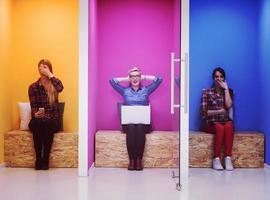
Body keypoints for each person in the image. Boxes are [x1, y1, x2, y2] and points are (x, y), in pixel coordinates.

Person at [109, 67, 162, 171]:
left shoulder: (146, 90)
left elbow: (159, 79)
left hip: (143, 123)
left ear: (140, 77)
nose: (135, 79)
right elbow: (112, 81)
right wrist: (126, 78)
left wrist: (144, 76)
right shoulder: (125, 91)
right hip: (128, 123)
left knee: (139, 128)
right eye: (132, 76)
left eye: (137, 76)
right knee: (132, 128)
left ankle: (138, 160)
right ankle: (132, 160)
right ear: (130, 78)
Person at [28, 59, 64, 170]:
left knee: (48, 124)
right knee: (36, 124)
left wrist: (50, 75)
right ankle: (39, 158)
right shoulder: (33, 87)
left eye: (45, 66)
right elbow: (33, 106)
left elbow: (61, 88)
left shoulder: (54, 84)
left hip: (53, 120)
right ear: (38, 69)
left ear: (49, 69)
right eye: (41, 66)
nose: (42, 68)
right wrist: (36, 113)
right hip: (39, 119)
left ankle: (46, 159)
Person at [200, 67, 234, 171]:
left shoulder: (228, 91)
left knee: (229, 126)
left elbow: (228, 106)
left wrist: (226, 89)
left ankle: (228, 158)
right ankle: (216, 159)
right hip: (210, 123)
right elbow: (204, 112)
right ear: (213, 78)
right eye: (216, 77)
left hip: (225, 121)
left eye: (221, 77)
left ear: (224, 79)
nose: (218, 79)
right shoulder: (207, 92)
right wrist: (219, 111)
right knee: (220, 128)